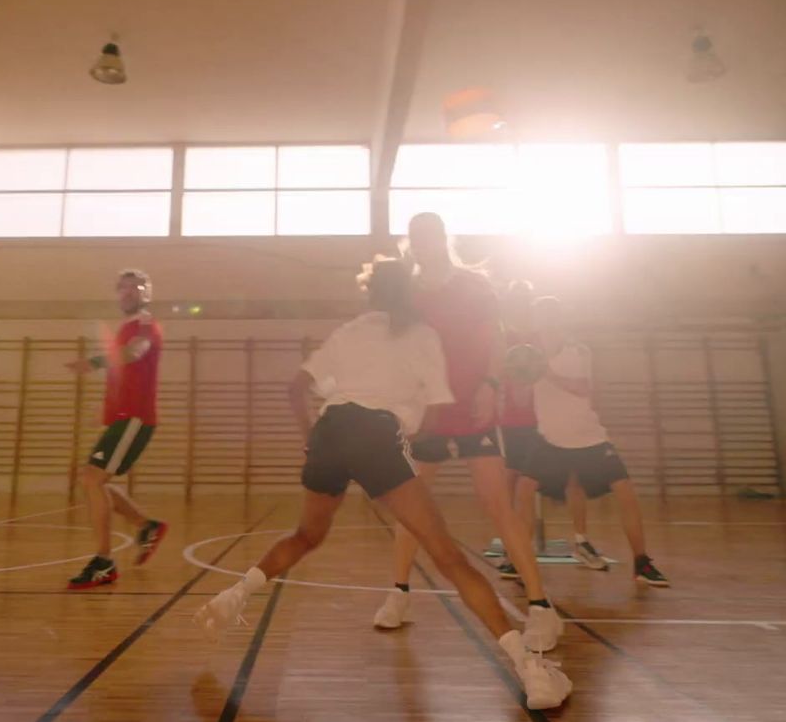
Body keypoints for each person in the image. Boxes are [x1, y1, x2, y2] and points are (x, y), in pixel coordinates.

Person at [193, 257, 572, 710]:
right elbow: (432, 416)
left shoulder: (349, 332)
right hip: (376, 433)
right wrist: (408, 435)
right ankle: (531, 670)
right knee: (447, 556)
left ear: (370, 294)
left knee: (306, 535)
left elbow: (295, 389)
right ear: (412, 294)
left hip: (331, 431)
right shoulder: (423, 335)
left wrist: (312, 438)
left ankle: (236, 594)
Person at [373, 213, 562, 651]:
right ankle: (398, 594)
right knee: (411, 504)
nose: (424, 243)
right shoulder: (406, 294)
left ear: (444, 238)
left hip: (474, 407)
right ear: (411, 243)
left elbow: (495, 340)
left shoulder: (474, 286)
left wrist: (491, 385)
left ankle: (541, 608)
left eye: (431, 235)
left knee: (497, 505)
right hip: (427, 413)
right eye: (416, 237)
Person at [522, 296, 668, 586]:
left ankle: (642, 562)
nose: (544, 324)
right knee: (524, 492)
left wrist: (546, 373)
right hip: (550, 439)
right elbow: (522, 393)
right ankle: (522, 558)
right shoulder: (528, 356)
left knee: (625, 493)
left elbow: (583, 388)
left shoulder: (577, 351)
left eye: (549, 317)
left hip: (589, 438)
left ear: (558, 320)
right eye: (539, 318)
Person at [64, 269, 169, 589]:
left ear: (146, 294)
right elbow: (124, 374)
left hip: (136, 417)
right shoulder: (125, 328)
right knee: (96, 480)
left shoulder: (145, 325)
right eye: (122, 288)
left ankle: (104, 562)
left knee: (92, 478)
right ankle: (145, 525)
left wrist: (93, 363)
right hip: (123, 417)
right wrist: (106, 409)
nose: (127, 293)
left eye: (135, 288)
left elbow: (134, 353)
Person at [495, 280, 543, 580]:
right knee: (507, 490)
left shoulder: (541, 337)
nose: (519, 305)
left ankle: (520, 553)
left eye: (524, 299)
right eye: (515, 300)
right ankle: (513, 551)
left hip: (539, 424)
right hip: (508, 423)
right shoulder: (503, 336)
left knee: (525, 491)